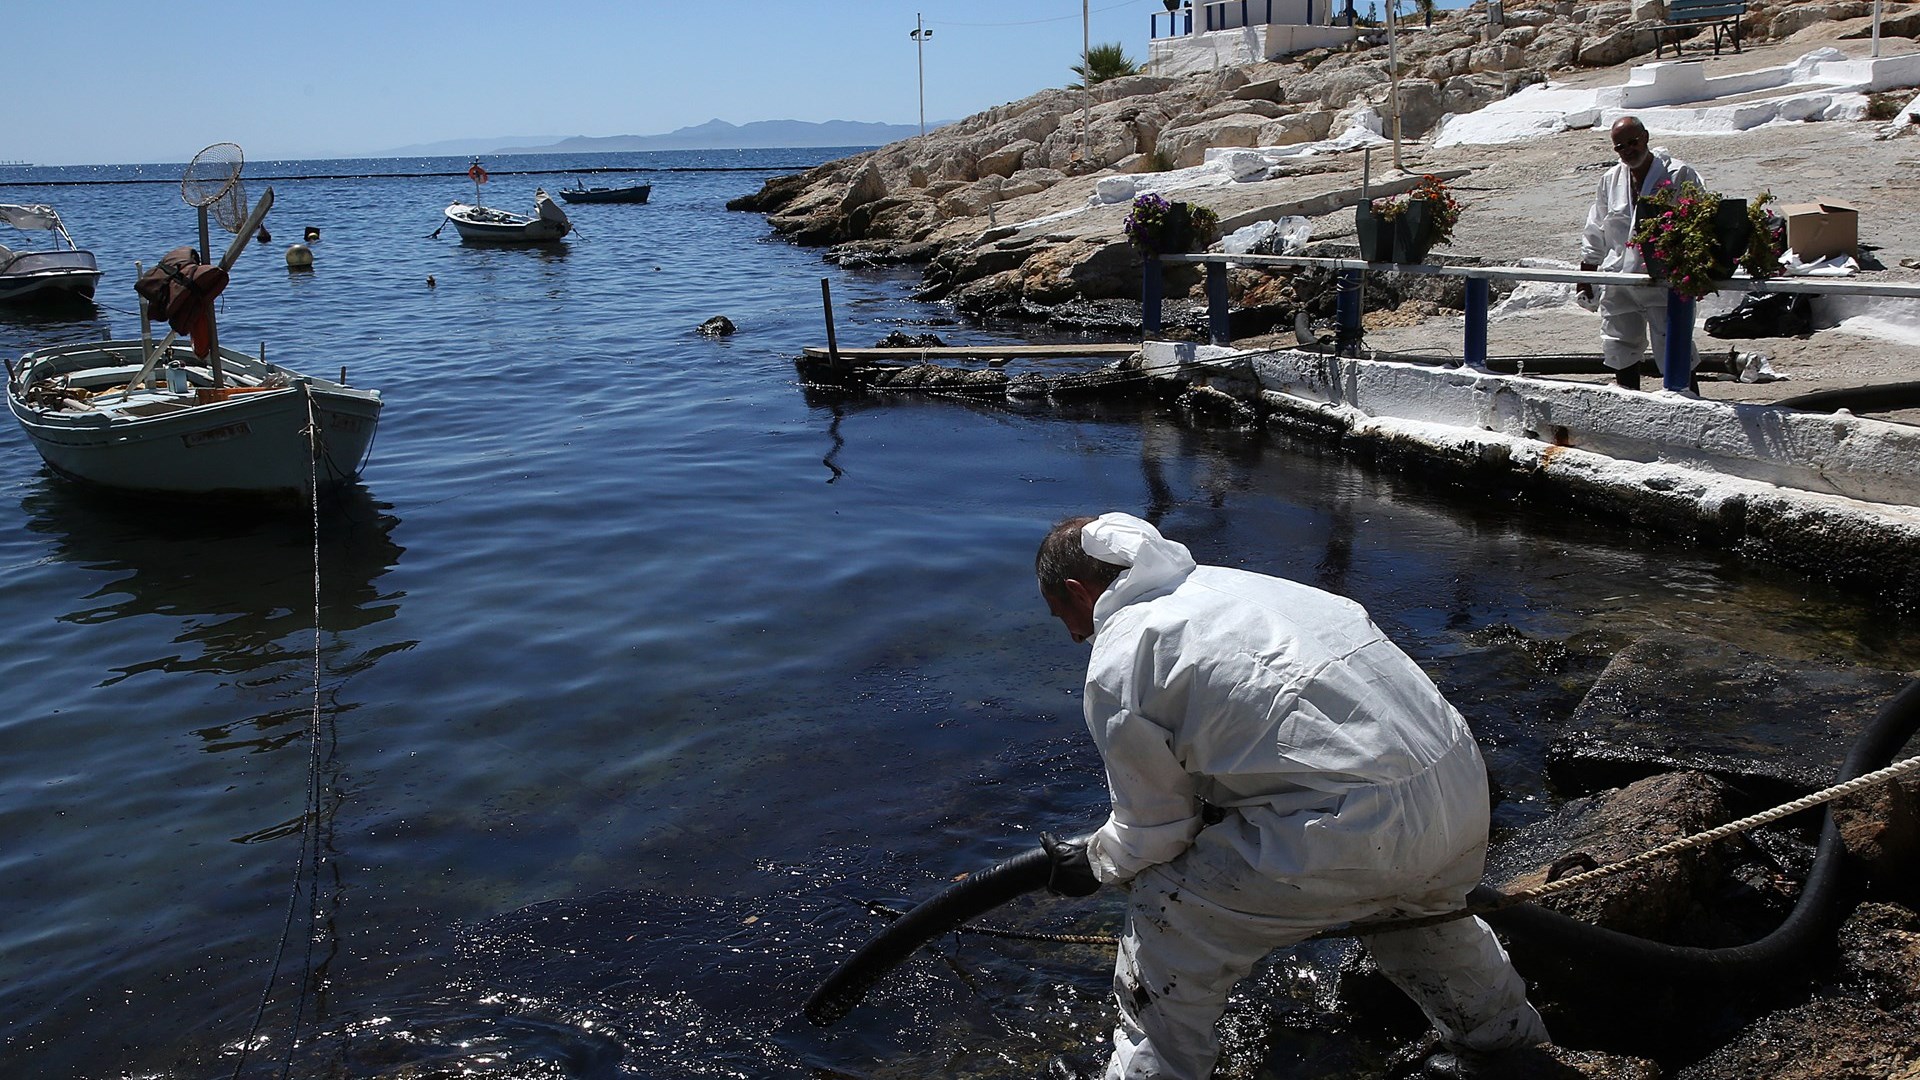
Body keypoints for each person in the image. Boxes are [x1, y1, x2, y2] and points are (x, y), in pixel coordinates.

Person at [1035, 512, 1548, 1080]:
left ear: (1080, 592)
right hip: (1458, 790)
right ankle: (1509, 1050)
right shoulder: (1241, 585)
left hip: (1350, 830)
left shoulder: (1123, 653)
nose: (1075, 636)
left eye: (1067, 618)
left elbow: (1157, 831)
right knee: (1427, 920)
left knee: (1167, 920)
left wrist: (1098, 863)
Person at [1577, 116, 1704, 391]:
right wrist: (1586, 274)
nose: (1627, 151)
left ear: (1645, 137)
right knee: (1619, 344)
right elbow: (1596, 227)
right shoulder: (1610, 180)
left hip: (1661, 279)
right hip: (1619, 278)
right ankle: (1627, 404)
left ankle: (1689, 406)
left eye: (1632, 143)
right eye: (1620, 147)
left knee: (1673, 344)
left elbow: (1701, 222)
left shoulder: (1679, 175)